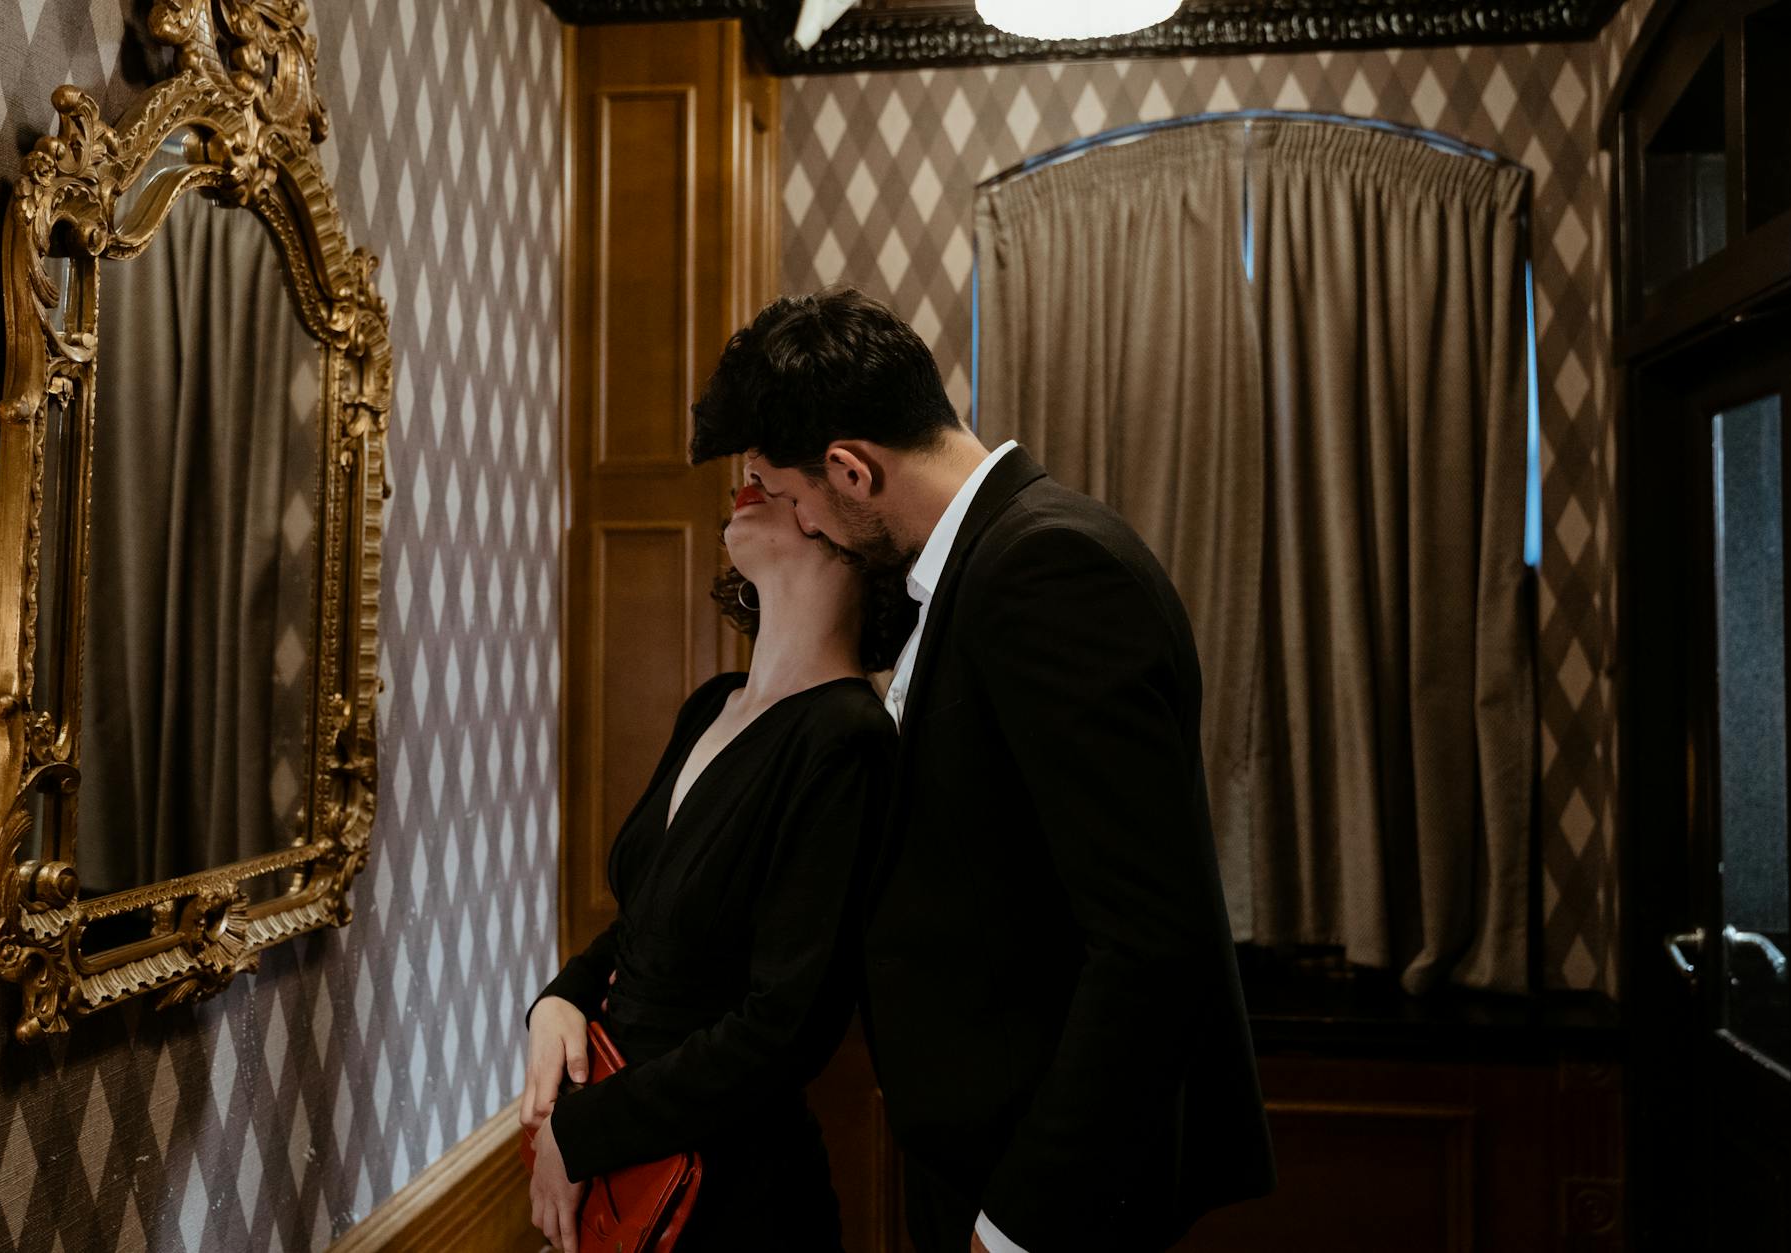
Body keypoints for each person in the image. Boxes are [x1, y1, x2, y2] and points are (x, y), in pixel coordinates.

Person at [688, 288, 1278, 1253]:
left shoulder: (1045, 569)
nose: (806, 524)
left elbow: (1149, 942)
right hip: (985, 1153)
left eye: (791, 496)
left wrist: (1020, 1221)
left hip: (1047, 1183)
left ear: (851, 468)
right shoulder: (977, 568)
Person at [517, 476, 911, 1252]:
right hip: (625, 1165)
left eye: (778, 475)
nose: (745, 483)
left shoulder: (850, 739)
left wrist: (583, 1131)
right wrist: (560, 997)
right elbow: (646, 921)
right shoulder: (713, 702)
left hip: (731, 1195)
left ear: (846, 527)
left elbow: (785, 1029)